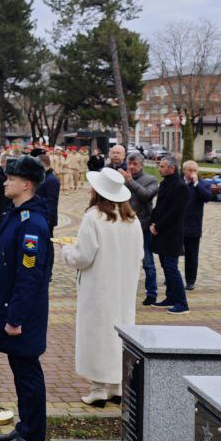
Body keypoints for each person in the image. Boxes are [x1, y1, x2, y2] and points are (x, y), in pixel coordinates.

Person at [0, 156, 53, 441]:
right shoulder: (18, 215)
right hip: (12, 308)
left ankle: (33, 435)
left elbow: (30, 276)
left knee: (28, 373)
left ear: (26, 184)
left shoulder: (32, 223)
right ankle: (25, 426)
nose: (5, 181)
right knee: (20, 370)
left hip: (23, 314)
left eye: (11, 178)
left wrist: (15, 318)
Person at [59, 166, 144, 405]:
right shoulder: (132, 219)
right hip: (123, 286)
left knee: (97, 334)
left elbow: (83, 256)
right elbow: (139, 254)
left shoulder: (94, 216)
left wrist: (66, 250)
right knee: (121, 334)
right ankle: (117, 385)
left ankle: (97, 388)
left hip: (98, 286)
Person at [149, 155, 190, 313]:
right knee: (166, 266)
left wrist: (158, 225)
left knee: (172, 267)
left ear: (172, 168)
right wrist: (152, 222)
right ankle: (171, 297)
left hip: (172, 232)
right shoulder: (166, 183)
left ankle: (182, 302)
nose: (160, 168)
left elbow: (176, 212)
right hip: (161, 231)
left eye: (163, 166)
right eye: (160, 166)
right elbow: (159, 206)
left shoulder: (180, 186)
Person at [122, 153, 159, 305]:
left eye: (135, 164)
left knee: (147, 262)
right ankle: (123, 289)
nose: (131, 167)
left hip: (143, 226)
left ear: (141, 164)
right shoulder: (122, 179)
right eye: (129, 164)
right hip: (123, 225)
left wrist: (130, 182)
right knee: (123, 261)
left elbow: (146, 196)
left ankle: (152, 292)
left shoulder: (150, 180)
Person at [181, 160, 215, 292]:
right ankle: (171, 277)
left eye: (195, 170)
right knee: (171, 252)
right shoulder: (178, 182)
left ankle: (190, 281)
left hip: (193, 225)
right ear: (184, 171)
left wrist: (195, 184)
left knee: (191, 255)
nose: (193, 173)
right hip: (177, 224)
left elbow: (207, 197)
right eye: (190, 170)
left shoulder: (203, 184)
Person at [32, 149, 61, 234]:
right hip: (40, 215)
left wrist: (48, 220)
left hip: (46, 218)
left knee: (47, 242)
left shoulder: (51, 180)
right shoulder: (43, 177)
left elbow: (52, 203)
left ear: (42, 164)